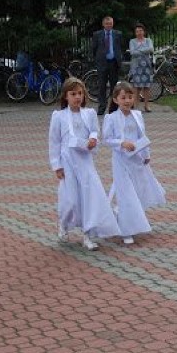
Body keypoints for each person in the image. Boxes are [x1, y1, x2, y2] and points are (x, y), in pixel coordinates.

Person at [49, 77, 120, 251]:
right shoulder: (59, 117)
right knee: (70, 201)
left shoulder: (89, 114)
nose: (77, 97)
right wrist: (56, 165)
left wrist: (93, 140)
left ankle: (88, 235)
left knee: (90, 198)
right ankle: (64, 225)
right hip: (68, 164)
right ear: (66, 96)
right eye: (73, 94)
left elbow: (94, 130)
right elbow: (54, 141)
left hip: (85, 163)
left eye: (80, 93)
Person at [102, 82, 166, 245]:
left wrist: (146, 154)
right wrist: (122, 143)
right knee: (125, 193)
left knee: (138, 191)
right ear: (116, 100)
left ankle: (129, 218)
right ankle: (126, 230)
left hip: (136, 160)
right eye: (123, 97)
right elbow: (107, 139)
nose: (127, 101)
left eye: (130, 97)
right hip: (121, 161)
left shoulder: (137, 115)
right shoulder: (111, 118)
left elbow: (141, 135)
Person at [91, 15, 123, 115]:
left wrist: (119, 58)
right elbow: (94, 48)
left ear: (112, 24)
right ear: (103, 24)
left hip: (114, 63)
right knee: (102, 86)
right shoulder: (97, 34)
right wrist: (96, 60)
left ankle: (114, 107)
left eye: (110, 23)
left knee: (114, 86)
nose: (109, 25)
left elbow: (121, 46)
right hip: (102, 63)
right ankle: (101, 107)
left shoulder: (118, 34)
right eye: (107, 23)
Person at [127, 23, 154, 112]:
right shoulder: (132, 41)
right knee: (136, 87)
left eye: (141, 31)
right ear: (135, 33)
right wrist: (144, 50)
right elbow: (132, 53)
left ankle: (146, 106)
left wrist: (138, 50)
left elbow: (150, 49)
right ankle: (135, 106)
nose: (139, 33)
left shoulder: (148, 40)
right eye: (137, 31)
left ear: (144, 31)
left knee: (146, 87)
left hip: (146, 66)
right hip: (136, 67)